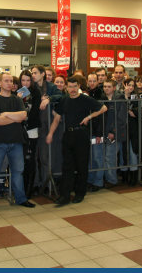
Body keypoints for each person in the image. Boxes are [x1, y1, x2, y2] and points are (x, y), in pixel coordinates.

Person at [46, 76, 107, 207]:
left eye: (75, 86)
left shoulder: (85, 99)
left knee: (81, 166)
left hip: (82, 134)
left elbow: (103, 108)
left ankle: (80, 193)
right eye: (70, 87)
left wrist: (89, 117)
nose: (72, 89)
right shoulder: (64, 100)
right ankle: (65, 196)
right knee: (67, 166)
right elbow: (56, 118)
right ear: (66, 87)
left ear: (79, 86)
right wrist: (50, 133)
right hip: (68, 134)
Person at [0, 72, 36, 213]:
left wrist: (6, 114)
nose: (9, 83)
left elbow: (23, 116)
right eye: (6, 81)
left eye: (11, 81)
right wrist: (15, 117)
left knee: (18, 171)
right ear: (0, 83)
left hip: (16, 141)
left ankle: (21, 199)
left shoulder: (17, 100)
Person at [30, 65, 62, 196]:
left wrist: (49, 98)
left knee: (44, 157)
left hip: (45, 126)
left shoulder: (50, 87)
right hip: (32, 126)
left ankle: (45, 183)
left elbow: (60, 95)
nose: (33, 75)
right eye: (32, 73)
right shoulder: (30, 88)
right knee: (33, 157)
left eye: (35, 73)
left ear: (42, 74)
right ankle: (34, 184)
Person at [17, 70, 41, 198]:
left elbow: (35, 111)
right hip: (19, 130)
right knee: (19, 160)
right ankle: (19, 189)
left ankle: (29, 190)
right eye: (23, 80)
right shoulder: (17, 93)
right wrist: (18, 99)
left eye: (28, 80)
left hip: (31, 129)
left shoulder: (36, 92)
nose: (25, 83)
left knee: (30, 160)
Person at [100, 79, 127, 188]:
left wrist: (113, 132)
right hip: (105, 131)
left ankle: (112, 180)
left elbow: (121, 118)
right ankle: (108, 178)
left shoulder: (119, 99)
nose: (106, 88)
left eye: (109, 86)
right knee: (106, 157)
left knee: (110, 157)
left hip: (115, 133)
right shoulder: (103, 98)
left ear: (114, 88)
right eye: (105, 86)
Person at [86, 73, 104, 192]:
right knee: (90, 159)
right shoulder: (85, 94)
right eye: (90, 81)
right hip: (87, 130)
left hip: (97, 130)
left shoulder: (100, 95)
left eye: (94, 81)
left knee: (98, 158)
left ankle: (98, 182)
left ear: (98, 82)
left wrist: (99, 134)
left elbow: (101, 117)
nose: (92, 83)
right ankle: (90, 180)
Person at [121, 78, 139, 186]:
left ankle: (133, 175)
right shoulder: (119, 96)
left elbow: (136, 112)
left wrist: (132, 112)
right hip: (122, 128)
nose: (130, 87)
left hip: (132, 128)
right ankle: (124, 174)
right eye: (128, 85)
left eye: (132, 85)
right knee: (123, 151)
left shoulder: (136, 97)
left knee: (132, 152)